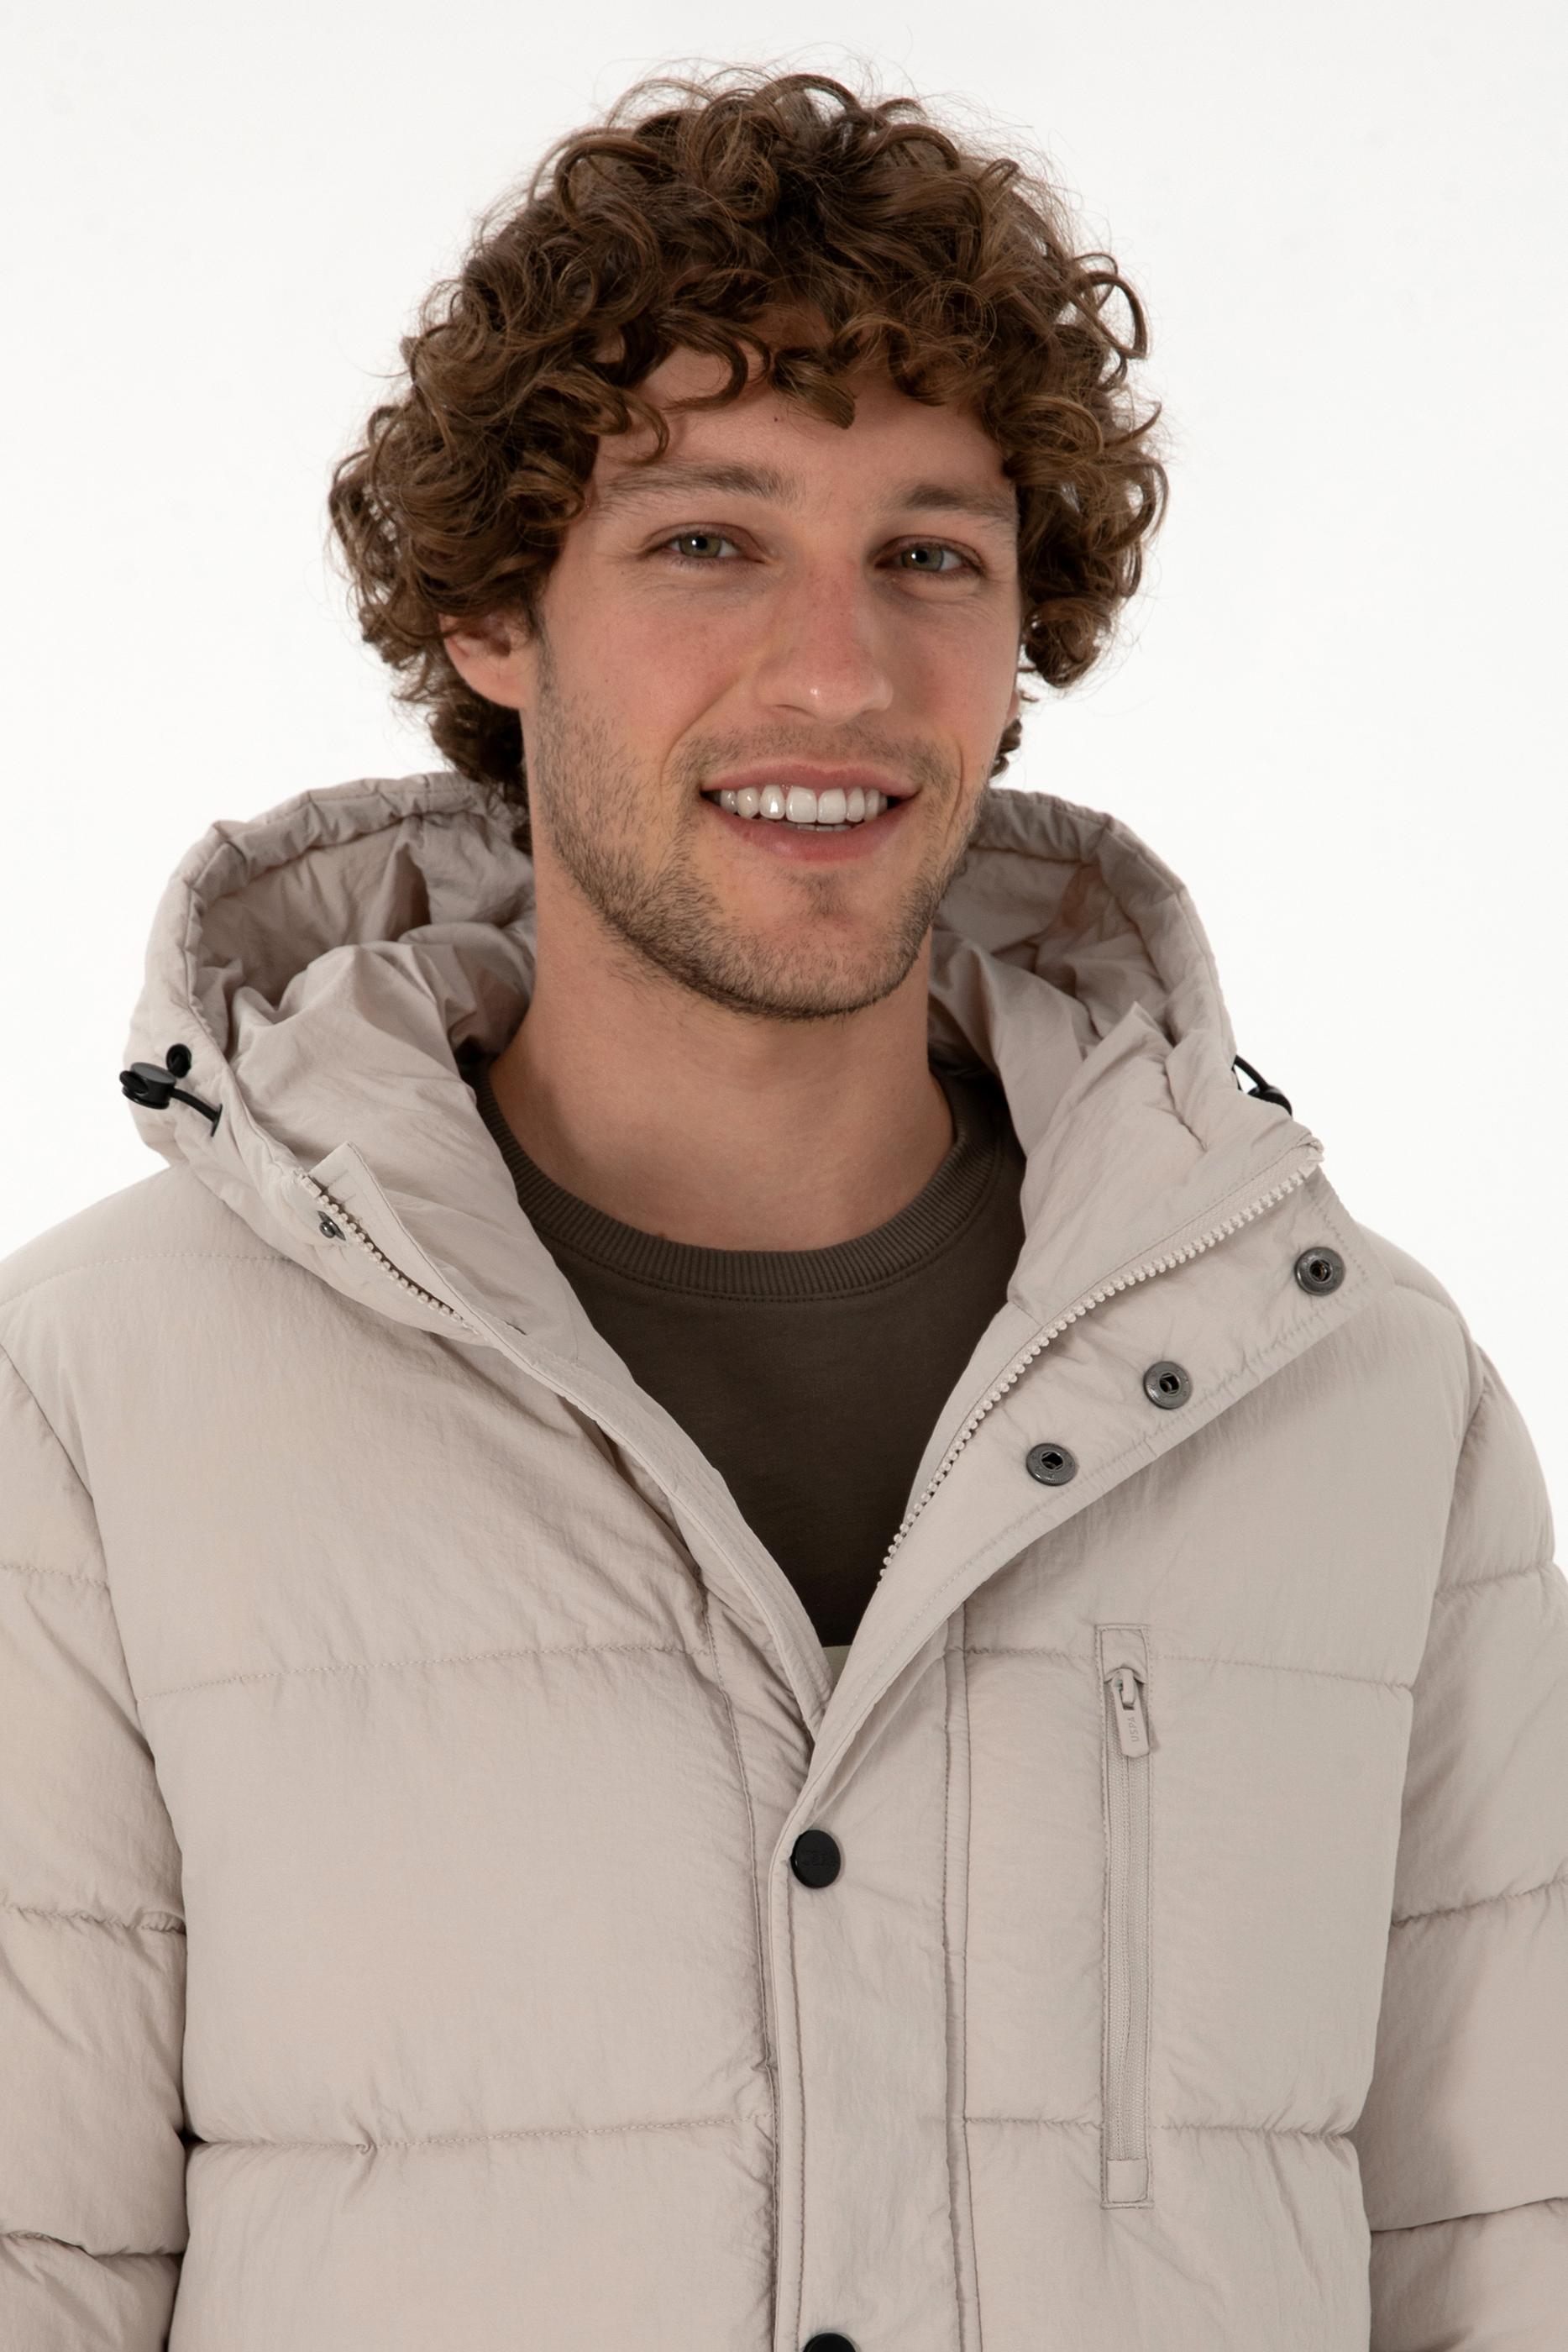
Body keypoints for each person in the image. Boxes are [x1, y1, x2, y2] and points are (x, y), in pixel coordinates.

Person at [2, 64, 1562, 2352]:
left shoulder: (1357, 1398)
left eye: (928, 556)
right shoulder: (99, 1400)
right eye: (708, 542)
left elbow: (1503, 2253)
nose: (837, 673)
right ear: (494, 616)